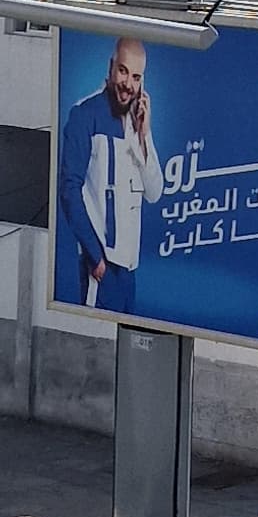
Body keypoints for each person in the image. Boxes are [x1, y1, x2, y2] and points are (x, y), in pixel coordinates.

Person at [57, 34, 164, 315]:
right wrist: (96, 258)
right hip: (102, 268)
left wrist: (144, 135)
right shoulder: (85, 115)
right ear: (111, 66)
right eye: (123, 71)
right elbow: (69, 190)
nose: (128, 84)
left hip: (129, 271)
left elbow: (154, 192)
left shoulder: (137, 124)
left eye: (137, 77)